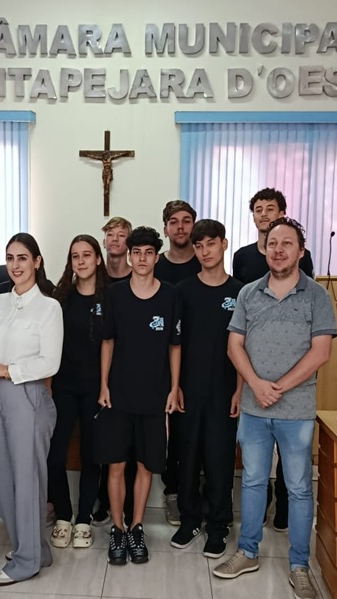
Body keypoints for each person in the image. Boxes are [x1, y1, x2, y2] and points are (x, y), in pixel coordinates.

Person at [213, 217, 336, 599]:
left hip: (296, 411)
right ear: (264, 249)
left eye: (287, 244)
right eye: (272, 243)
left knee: (298, 488)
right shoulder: (249, 293)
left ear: (301, 251)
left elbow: (321, 352)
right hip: (254, 408)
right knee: (252, 481)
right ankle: (248, 551)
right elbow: (234, 346)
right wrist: (255, 384)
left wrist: (279, 387)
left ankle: (299, 565)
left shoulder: (316, 296)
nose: (278, 250)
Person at [0, 233, 63, 586]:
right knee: (0, 481)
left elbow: (50, 362)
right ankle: (34, 549)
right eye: (10, 258)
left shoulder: (49, 307)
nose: (15, 265)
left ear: (37, 262)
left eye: (23, 258)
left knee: (28, 482)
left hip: (28, 395)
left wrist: (5, 369)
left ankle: (26, 560)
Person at [232, 187, 315, 533]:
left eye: (270, 209)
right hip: (254, 380)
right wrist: (252, 384)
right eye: (258, 209)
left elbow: (317, 343)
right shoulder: (243, 262)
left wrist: (278, 386)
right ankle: (254, 528)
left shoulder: (308, 279)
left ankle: (286, 516)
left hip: (294, 392)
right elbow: (238, 335)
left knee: (295, 478)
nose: (263, 214)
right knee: (254, 473)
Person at [95, 226, 180, 566]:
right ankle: (117, 529)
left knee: (146, 465)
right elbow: (107, 342)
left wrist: (174, 387)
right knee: (116, 464)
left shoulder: (170, 295)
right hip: (118, 394)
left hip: (155, 395)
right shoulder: (115, 294)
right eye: (137, 253)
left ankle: (136, 527)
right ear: (129, 256)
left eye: (149, 253)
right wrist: (103, 384)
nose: (142, 258)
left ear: (157, 257)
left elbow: (175, 346)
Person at [169, 220, 243, 560]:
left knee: (219, 459)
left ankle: (218, 524)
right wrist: (175, 387)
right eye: (198, 246)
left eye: (210, 244)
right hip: (188, 389)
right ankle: (190, 520)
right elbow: (175, 344)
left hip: (225, 391)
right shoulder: (183, 290)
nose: (204, 251)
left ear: (224, 244)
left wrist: (240, 390)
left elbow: (245, 346)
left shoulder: (241, 292)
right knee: (186, 459)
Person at [47, 234, 108, 549]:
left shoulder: (110, 297)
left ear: (98, 259)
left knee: (91, 455)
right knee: (54, 454)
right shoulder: (61, 298)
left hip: (96, 389)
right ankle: (63, 516)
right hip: (63, 387)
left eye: (87, 255)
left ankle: (84, 519)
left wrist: (107, 386)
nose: (81, 261)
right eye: (75, 256)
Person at [154, 200, 201, 528]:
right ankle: (172, 491)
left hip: (200, 360)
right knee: (168, 431)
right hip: (163, 359)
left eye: (186, 221)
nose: (181, 227)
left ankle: (195, 492)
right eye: (174, 222)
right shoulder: (155, 265)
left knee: (195, 433)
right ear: (166, 228)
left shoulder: (205, 260)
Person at [93, 217, 137, 527]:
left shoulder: (140, 278)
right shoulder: (95, 278)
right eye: (111, 235)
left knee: (129, 447)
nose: (116, 240)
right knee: (102, 442)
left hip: (129, 374)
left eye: (122, 235)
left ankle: (128, 505)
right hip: (97, 372)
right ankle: (102, 499)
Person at [102, 217, 132, 283]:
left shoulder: (137, 276)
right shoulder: (95, 276)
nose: (115, 239)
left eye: (121, 235)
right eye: (110, 234)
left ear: (129, 243)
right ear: (104, 242)